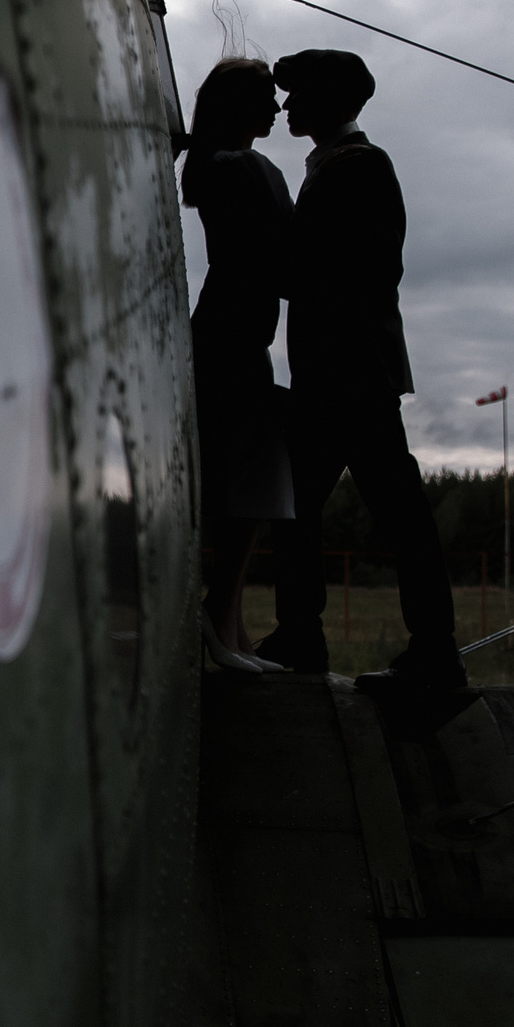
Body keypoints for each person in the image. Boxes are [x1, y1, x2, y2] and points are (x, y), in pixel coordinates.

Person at [253, 50, 467, 699]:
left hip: (346, 376)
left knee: (361, 510)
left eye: (300, 97)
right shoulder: (340, 167)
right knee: (323, 507)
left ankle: (418, 648)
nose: (288, 108)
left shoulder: (358, 169)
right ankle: (320, 635)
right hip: (349, 374)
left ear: (331, 102)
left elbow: (354, 272)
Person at [181, 58, 294, 675]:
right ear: (238, 109)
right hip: (238, 337)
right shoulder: (252, 167)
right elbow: (288, 256)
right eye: (265, 99)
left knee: (243, 475)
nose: (277, 111)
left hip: (222, 328)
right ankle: (221, 614)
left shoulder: (212, 168)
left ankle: (229, 621)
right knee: (252, 479)